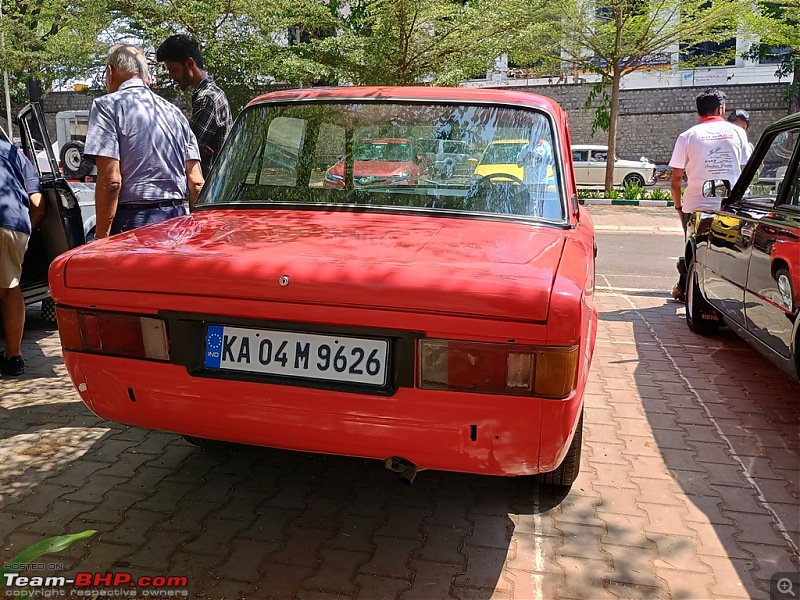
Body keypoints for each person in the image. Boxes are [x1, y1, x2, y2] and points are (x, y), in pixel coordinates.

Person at [84, 44, 204, 239]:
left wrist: (101, 239)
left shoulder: (107, 106)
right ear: (145, 76)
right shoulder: (175, 113)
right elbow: (196, 182)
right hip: (176, 222)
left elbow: (111, 181)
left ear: (110, 71)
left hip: (132, 223)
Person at [668, 89, 752, 301]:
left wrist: (679, 207)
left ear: (698, 112)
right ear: (721, 109)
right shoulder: (738, 133)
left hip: (696, 205)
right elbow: (746, 171)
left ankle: (686, 288)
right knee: (731, 252)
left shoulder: (687, 136)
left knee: (694, 249)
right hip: (730, 206)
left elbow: (676, 180)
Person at [156, 34, 232, 177]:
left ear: (190, 64)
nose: (171, 77)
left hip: (210, 189)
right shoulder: (211, 93)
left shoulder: (207, 98)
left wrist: (191, 148)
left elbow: (182, 152)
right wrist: (198, 149)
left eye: (173, 70)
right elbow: (192, 148)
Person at [0, 137, 45, 376]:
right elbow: (38, 202)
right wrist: (27, 229)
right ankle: (13, 356)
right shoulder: (14, 154)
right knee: (10, 288)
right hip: (14, 224)